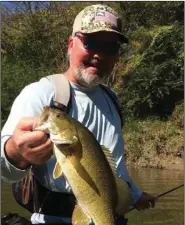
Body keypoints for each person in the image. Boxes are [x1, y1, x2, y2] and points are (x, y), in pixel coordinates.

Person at [1, 4, 157, 225]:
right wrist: (14, 153)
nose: (99, 54)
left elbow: (113, 168)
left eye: (110, 47)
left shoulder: (112, 99)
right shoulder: (41, 93)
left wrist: (136, 195)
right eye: (91, 42)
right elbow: (4, 172)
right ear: (70, 44)